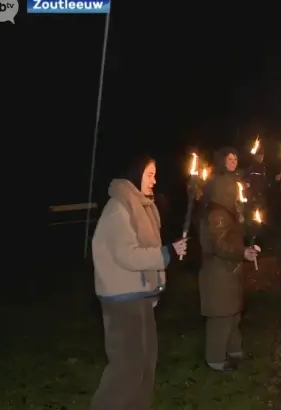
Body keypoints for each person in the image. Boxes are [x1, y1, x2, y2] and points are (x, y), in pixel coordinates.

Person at [90, 155, 188, 410]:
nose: (154, 181)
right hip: (123, 299)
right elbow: (127, 254)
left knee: (145, 364)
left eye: (155, 175)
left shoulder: (143, 206)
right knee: (127, 368)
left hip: (141, 295)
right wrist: (166, 253)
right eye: (150, 174)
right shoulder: (119, 208)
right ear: (135, 175)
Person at [199, 173, 259, 372]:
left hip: (228, 273)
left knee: (232, 315)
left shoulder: (228, 212)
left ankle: (234, 350)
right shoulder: (218, 215)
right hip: (219, 274)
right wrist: (242, 252)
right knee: (221, 317)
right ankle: (215, 358)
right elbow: (219, 245)